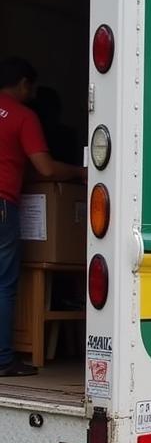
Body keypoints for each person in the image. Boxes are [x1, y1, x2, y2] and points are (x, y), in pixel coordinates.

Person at [0, 57, 87, 377]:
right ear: (23, 83)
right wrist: (79, 172)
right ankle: (3, 359)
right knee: (4, 284)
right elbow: (46, 168)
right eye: (30, 87)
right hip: (3, 204)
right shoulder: (23, 116)